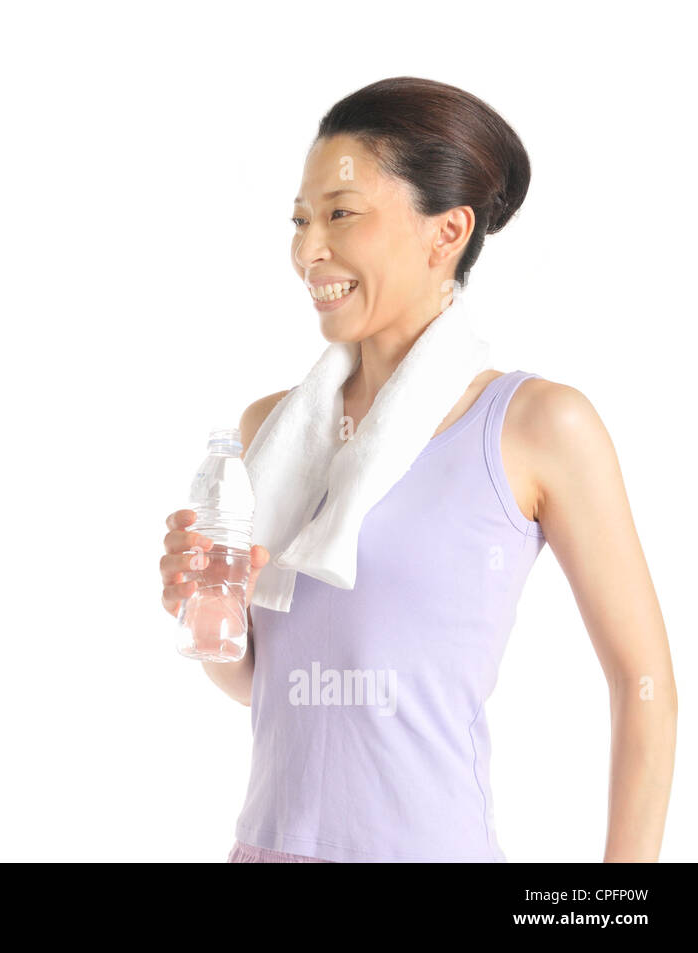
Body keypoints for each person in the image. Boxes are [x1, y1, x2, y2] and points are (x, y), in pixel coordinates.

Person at [159, 77, 676, 863]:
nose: (307, 250)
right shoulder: (272, 430)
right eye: (300, 220)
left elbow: (646, 690)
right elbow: (267, 687)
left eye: (340, 214)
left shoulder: (536, 427)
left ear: (448, 232)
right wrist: (208, 608)